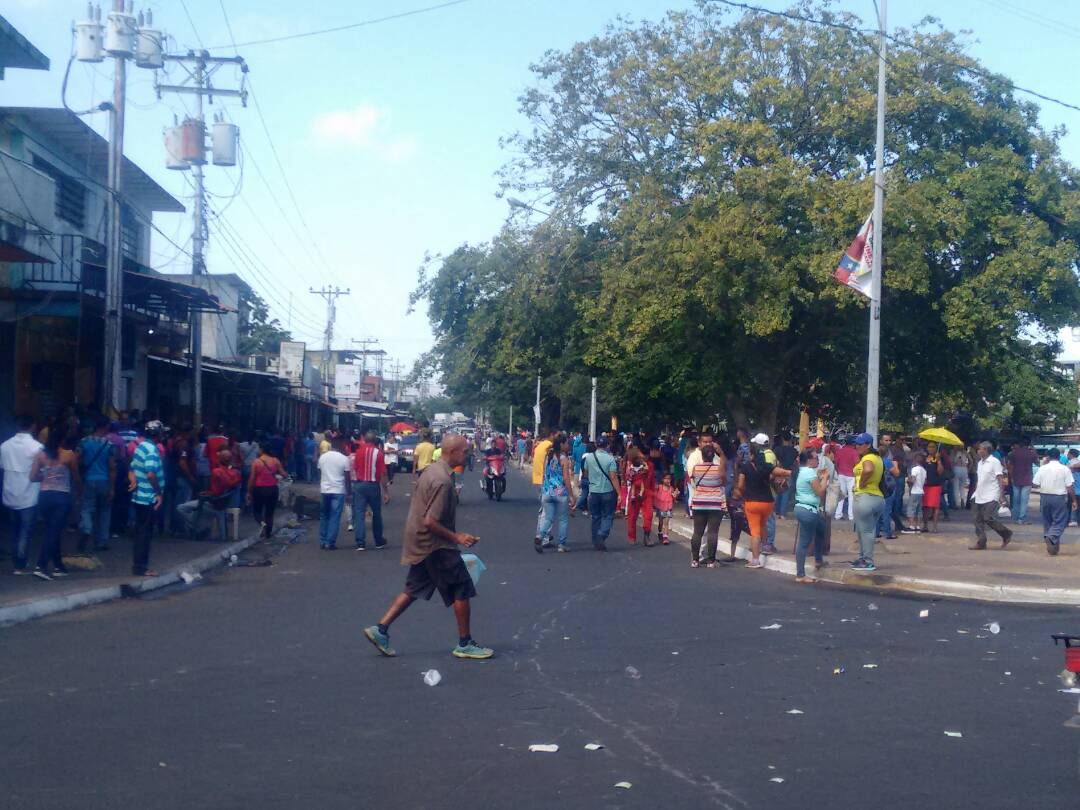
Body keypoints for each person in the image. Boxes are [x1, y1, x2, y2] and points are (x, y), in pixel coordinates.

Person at [362, 434, 493, 660]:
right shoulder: (442, 480)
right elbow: (430, 521)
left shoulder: (432, 471)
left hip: (421, 541)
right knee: (461, 587)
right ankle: (465, 642)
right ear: (452, 452)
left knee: (414, 587)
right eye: (465, 451)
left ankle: (380, 629)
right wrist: (457, 537)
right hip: (435, 543)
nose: (469, 454)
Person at [733, 433, 791, 569]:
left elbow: (740, 485)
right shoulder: (766, 465)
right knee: (763, 524)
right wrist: (788, 473)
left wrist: (740, 493)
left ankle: (755, 559)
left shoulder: (745, 467)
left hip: (752, 502)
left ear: (751, 455)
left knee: (755, 531)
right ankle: (766, 546)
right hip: (768, 502)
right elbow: (778, 472)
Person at [29, 430, 81, 580]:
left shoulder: (40, 455)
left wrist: (46, 475)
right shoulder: (69, 454)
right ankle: (41, 565)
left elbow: (32, 477)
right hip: (61, 497)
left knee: (53, 531)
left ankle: (59, 566)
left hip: (44, 496)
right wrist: (79, 491)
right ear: (63, 439)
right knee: (54, 531)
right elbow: (76, 477)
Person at [2, 414, 43, 574]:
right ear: (32, 426)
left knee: (14, 530)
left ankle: (16, 562)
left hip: (10, 493)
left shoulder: (5, 446)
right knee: (25, 531)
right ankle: (20, 563)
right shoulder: (37, 447)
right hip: (28, 495)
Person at [128, 421, 164, 577]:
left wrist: (133, 480)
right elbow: (151, 474)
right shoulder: (151, 450)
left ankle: (138, 565)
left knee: (140, 532)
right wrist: (158, 494)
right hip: (148, 497)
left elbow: (132, 468)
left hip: (139, 496)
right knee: (145, 533)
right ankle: (141, 567)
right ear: (157, 434)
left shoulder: (140, 447)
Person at [76, 416, 116, 552]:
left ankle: (87, 529)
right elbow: (112, 468)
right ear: (105, 427)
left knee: (87, 508)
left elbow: (77, 460)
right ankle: (101, 541)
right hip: (104, 481)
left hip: (88, 479)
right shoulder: (109, 445)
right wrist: (112, 488)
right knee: (105, 511)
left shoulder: (84, 442)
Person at [849, 432, 885, 573]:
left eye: (860, 443)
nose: (857, 446)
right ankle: (863, 558)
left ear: (868, 445)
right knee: (865, 530)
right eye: (856, 443)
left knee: (865, 531)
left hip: (865, 497)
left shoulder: (868, 458)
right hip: (877, 498)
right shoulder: (877, 458)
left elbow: (868, 470)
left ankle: (867, 560)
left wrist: (862, 483)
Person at [534, 433, 575, 553]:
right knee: (563, 519)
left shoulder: (549, 456)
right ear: (561, 444)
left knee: (548, 518)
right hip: (560, 493)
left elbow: (544, 473)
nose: (568, 445)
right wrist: (572, 495)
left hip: (547, 491)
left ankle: (539, 537)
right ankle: (561, 545)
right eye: (566, 443)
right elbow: (566, 478)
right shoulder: (563, 459)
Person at [793, 449, 829, 583]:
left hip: (804, 508)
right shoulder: (808, 473)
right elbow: (820, 492)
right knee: (804, 541)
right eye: (815, 458)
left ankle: (818, 560)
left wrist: (819, 477)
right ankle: (800, 574)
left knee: (821, 529)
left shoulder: (804, 471)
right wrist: (825, 479)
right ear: (809, 460)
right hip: (808, 510)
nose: (817, 460)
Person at [687, 445, 727, 568]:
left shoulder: (696, 468)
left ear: (702, 455)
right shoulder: (718, 469)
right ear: (713, 455)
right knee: (713, 532)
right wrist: (722, 454)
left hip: (699, 503)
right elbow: (724, 482)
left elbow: (692, 479)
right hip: (715, 503)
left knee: (697, 532)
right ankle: (711, 561)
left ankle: (695, 560)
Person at [970, 441, 1013, 550]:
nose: (979, 451)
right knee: (977, 518)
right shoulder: (980, 463)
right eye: (979, 449)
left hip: (992, 493)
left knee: (988, 517)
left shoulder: (994, 462)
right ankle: (981, 541)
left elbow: (1000, 478)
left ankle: (1006, 533)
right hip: (979, 493)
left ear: (987, 450)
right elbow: (979, 479)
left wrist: (1002, 495)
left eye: (981, 449)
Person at [352, 430, 391, 551]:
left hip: (359, 485)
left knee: (359, 513)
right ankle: (378, 541)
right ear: (375, 441)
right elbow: (383, 474)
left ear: (365, 440)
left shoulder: (358, 452)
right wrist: (386, 492)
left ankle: (360, 542)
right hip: (373, 485)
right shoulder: (378, 453)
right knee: (376, 513)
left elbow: (355, 468)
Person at [1032, 449, 1075, 556]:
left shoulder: (1042, 468)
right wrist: (1073, 500)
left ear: (1048, 457)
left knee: (1047, 521)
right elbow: (1069, 486)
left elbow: (1035, 484)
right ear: (1059, 457)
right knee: (1061, 521)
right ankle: (1052, 536)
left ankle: (1052, 547)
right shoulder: (1065, 469)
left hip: (1044, 496)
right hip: (1059, 497)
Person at [583, 437, 620, 551]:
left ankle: (595, 541)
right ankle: (602, 534)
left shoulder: (589, 458)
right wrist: (619, 493)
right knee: (608, 515)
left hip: (593, 491)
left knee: (595, 517)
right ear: (607, 445)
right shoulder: (610, 459)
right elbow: (613, 477)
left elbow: (585, 473)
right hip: (607, 491)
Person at [317, 436, 351, 550]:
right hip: (338, 490)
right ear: (341, 445)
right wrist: (349, 493)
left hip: (325, 490)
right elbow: (347, 478)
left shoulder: (322, 457)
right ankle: (330, 542)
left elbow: (319, 472)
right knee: (334, 516)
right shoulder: (344, 459)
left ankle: (322, 540)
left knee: (324, 516)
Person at [247, 443, 286, 539]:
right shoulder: (275, 460)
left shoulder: (256, 462)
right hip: (272, 489)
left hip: (259, 489)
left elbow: (252, 478)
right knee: (269, 513)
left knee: (256, 511)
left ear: (261, 450)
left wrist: (249, 491)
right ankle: (268, 534)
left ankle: (262, 523)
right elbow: (284, 474)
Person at [624, 445, 656, 545]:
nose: (645, 457)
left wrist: (653, 492)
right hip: (635, 492)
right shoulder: (630, 465)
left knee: (649, 515)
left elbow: (652, 480)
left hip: (647, 492)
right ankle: (632, 536)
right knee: (632, 516)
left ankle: (646, 536)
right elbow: (627, 478)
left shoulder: (650, 465)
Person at [1006, 437, 1039, 525]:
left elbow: (1009, 466)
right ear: (1029, 444)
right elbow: (1037, 463)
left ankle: (1015, 518)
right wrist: (1034, 450)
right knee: (1024, 500)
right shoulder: (1031, 453)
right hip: (1027, 479)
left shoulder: (1013, 453)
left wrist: (1011, 476)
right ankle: (1022, 518)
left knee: (1016, 499)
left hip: (1016, 478)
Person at [922, 441, 947, 533]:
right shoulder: (925, 458)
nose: (931, 448)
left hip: (935, 485)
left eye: (933, 447)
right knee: (925, 507)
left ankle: (935, 527)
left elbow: (940, 472)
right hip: (925, 485)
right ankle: (925, 525)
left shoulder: (938, 458)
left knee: (935, 507)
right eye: (930, 447)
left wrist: (939, 460)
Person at [833, 438, 860, 521]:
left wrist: (838, 472)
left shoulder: (840, 451)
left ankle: (838, 514)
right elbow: (857, 464)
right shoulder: (854, 452)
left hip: (841, 474)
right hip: (851, 475)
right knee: (852, 496)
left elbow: (836, 463)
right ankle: (851, 516)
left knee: (841, 495)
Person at [773, 435, 798, 518]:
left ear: (782, 439)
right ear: (790, 440)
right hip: (789, 473)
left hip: (778, 473)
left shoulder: (777, 450)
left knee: (777, 492)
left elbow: (775, 461)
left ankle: (775, 511)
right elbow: (796, 463)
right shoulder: (794, 451)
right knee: (786, 493)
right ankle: (782, 513)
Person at [906, 452, 927, 533]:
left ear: (915, 460)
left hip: (914, 491)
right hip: (921, 491)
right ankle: (918, 526)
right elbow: (925, 481)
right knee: (919, 510)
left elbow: (913, 480)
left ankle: (911, 526)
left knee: (911, 508)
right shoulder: (924, 470)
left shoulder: (915, 469)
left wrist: (908, 480)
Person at [654, 472, 676, 545]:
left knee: (666, 522)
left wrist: (675, 495)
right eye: (666, 478)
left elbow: (674, 497)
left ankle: (665, 537)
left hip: (668, 507)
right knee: (661, 522)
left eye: (669, 479)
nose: (668, 480)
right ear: (662, 479)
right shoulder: (659, 487)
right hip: (660, 507)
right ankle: (660, 532)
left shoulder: (671, 488)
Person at [953, 445, 973, 510]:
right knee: (962, 487)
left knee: (955, 487)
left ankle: (956, 503)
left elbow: (952, 461)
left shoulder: (954, 452)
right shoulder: (965, 452)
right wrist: (968, 469)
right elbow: (971, 461)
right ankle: (962, 501)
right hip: (964, 469)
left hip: (956, 468)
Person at [1068, 449, 1080, 527]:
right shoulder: (1076, 462)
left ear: (1071, 454)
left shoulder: (1071, 463)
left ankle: (1073, 520)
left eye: (1068, 453)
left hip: (1074, 487)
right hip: (1077, 487)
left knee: (1073, 502)